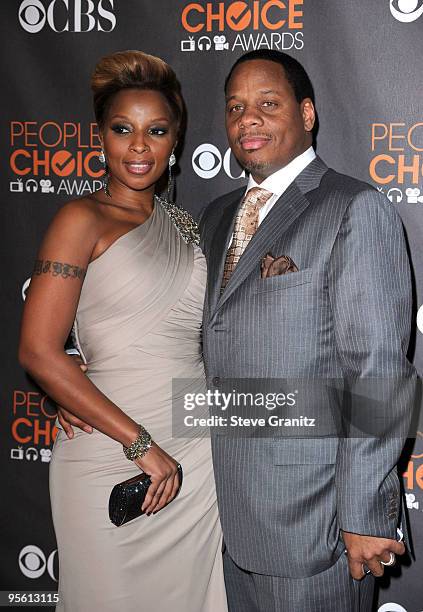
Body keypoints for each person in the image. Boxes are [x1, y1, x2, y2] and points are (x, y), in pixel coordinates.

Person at [198, 50, 416, 611]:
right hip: (221, 513)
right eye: (235, 107)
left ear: (308, 112)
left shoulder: (352, 207)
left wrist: (366, 512)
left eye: (267, 104)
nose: (248, 120)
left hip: (315, 520)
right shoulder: (216, 217)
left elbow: (379, 371)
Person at [19, 50, 227, 612]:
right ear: (100, 139)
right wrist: (139, 443)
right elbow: (39, 350)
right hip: (113, 451)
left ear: (175, 142)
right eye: (122, 129)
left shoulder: (188, 225)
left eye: (156, 131)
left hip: (194, 454)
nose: (139, 146)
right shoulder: (79, 219)